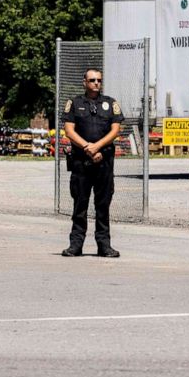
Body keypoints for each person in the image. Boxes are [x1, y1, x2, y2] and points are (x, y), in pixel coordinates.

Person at [61, 67, 124, 258]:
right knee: (80, 204)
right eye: (92, 80)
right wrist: (88, 148)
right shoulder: (74, 103)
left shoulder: (110, 103)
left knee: (103, 205)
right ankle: (75, 245)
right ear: (84, 82)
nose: (96, 83)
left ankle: (104, 246)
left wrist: (97, 147)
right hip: (81, 161)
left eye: (99, 80)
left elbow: (115, 130)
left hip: (104, 161)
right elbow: (69, 130)